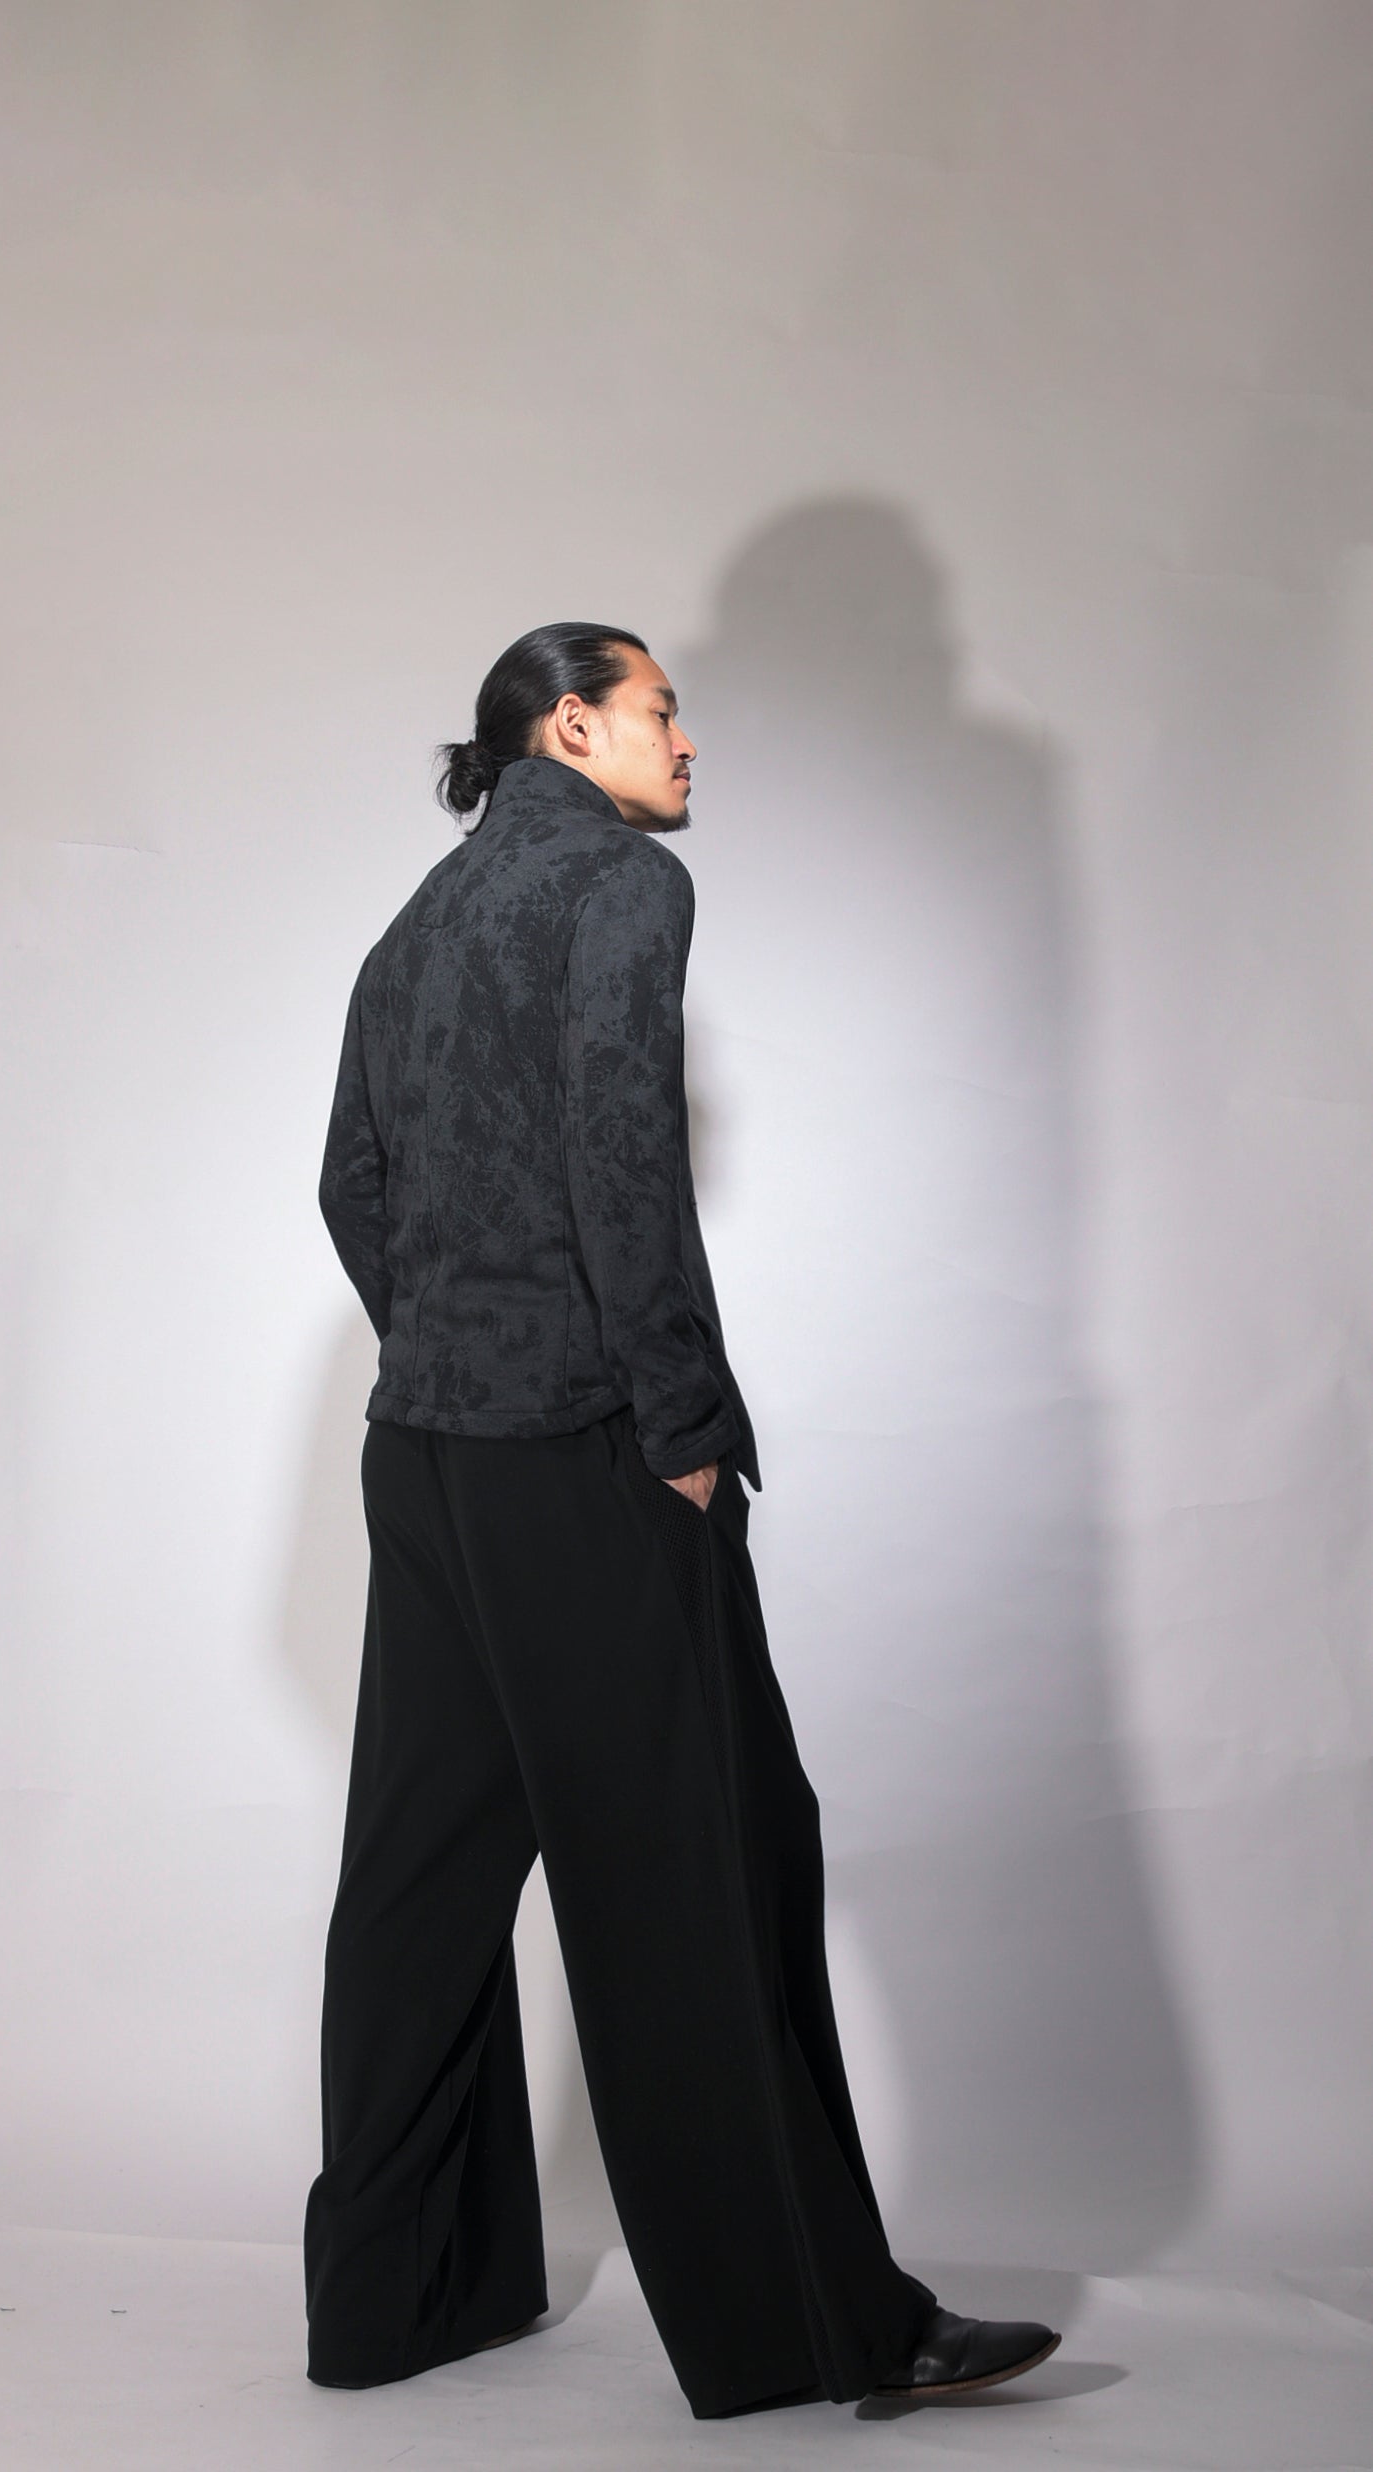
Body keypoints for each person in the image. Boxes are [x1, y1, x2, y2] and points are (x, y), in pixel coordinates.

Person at [303, 622, 1061, 2420]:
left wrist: (448, 1345)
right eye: (659, 710)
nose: (685, 739)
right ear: (571, 728)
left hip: (426, 1452)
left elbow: (348, 1181)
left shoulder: (416, 920)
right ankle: (821, 2330)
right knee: (705, 1869)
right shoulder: (620, 885)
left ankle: (393, 2305)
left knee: (420, 1878)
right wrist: (679, 1420)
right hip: (583, 1447)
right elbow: (620, 1156)